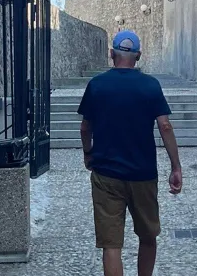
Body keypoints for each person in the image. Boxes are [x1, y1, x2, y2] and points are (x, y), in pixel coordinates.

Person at [78, 29, 183, 276]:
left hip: (106, 174)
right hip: (143, 174)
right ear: (139, 56)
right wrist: (176, 167)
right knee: (148, 236)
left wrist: (88, 153)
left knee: (111, 244)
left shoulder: (97, 85)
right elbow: (165, 126)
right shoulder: (150, 85)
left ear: (111, 54)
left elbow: (85, 128)